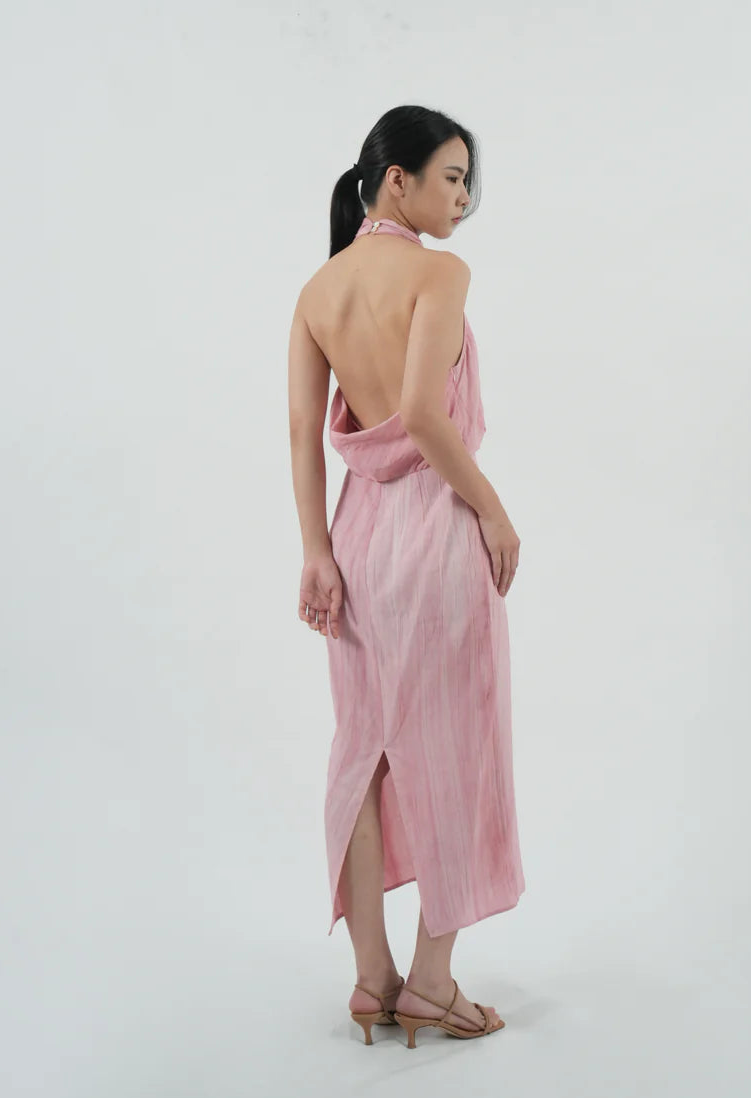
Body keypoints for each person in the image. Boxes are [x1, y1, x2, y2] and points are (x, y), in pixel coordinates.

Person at [288, 105, 525, 1047]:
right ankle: (430, 981)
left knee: (365, 749)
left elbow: (301, 437)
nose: (462, 198)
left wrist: (316, 551)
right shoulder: (440, 273)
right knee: (456, 745)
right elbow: (425, 416)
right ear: (398, 179)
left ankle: (370, 977)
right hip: (434, 532)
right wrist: (494, 510)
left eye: (467, 181)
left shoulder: (318, 290)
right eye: (451, 177)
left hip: (355, 539)